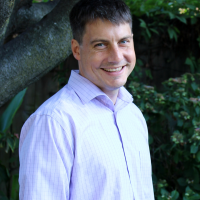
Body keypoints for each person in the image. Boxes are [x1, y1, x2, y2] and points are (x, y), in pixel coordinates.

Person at [19, 0, 155, 199]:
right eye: (101, 44)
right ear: (76, 49)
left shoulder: (133, 115)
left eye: (124, 41)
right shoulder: (53, 122)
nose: (116, 57)